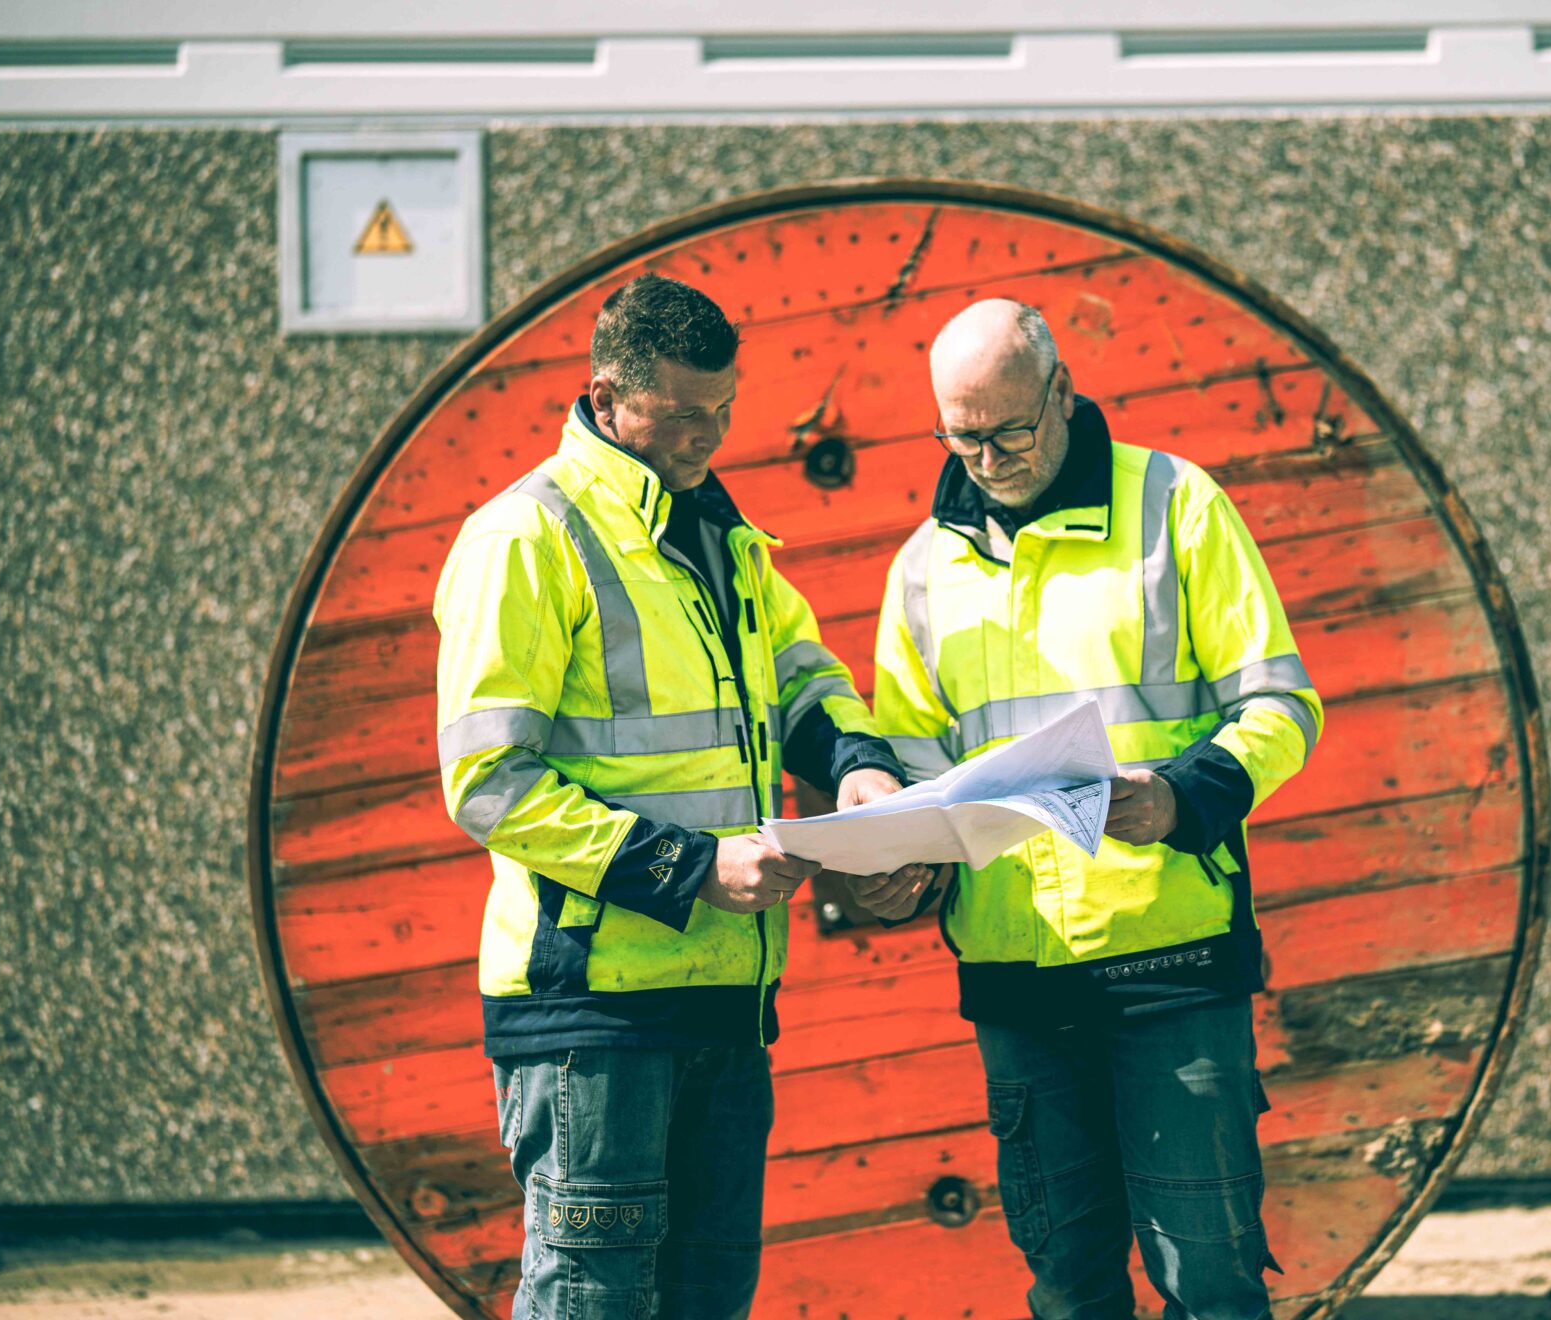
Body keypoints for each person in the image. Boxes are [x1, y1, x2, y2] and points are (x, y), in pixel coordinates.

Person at [432, 273, 929, 1319]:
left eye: (724, 411)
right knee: (593, 1302)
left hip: (725, 1004)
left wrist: (858, 768)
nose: (709, 437)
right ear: (606, 398)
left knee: (706, 1300)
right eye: (683, 414)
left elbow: (804, 679)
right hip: (594, 1016)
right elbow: (487, 783)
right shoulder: (525, 539)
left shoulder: (723, 537)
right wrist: (696, 867)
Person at [867, 299, 1325, 1319]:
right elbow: (910, 758)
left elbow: (1282, 706)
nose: (987, 458)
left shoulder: (1176, 506)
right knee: (1068, 1288)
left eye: (1011, 431)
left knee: (1207, 1281)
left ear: (1063, 394)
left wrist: (1181, 797)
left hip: (1170, 966)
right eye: (962, 437)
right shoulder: (922, 569)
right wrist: (902, 848)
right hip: (1018, 981)